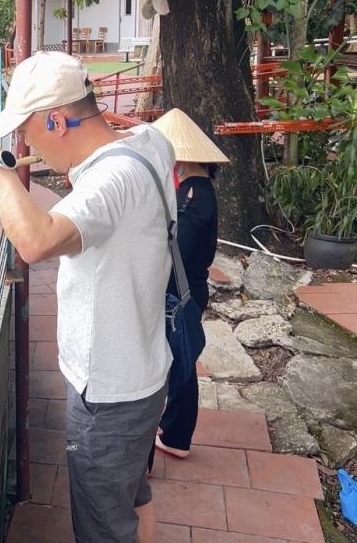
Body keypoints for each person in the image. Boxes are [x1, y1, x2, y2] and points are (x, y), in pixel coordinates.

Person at [0, 51, 176, 543]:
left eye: (28, 133)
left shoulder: (111, 182)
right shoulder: (149, 143)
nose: (27, 146)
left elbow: (34, 241)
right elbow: (117, 136)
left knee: (103, 528)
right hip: (145, 373)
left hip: (107, 395)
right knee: (131, 496)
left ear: (56, 120)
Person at [147, 108, 226, 473]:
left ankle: (170, 438)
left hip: (181, 292)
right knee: (181, 360)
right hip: (186, 288)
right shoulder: (194, 189)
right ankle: (175, 435)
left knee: (172, 363)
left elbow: (175, 249)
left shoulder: (194, 196)